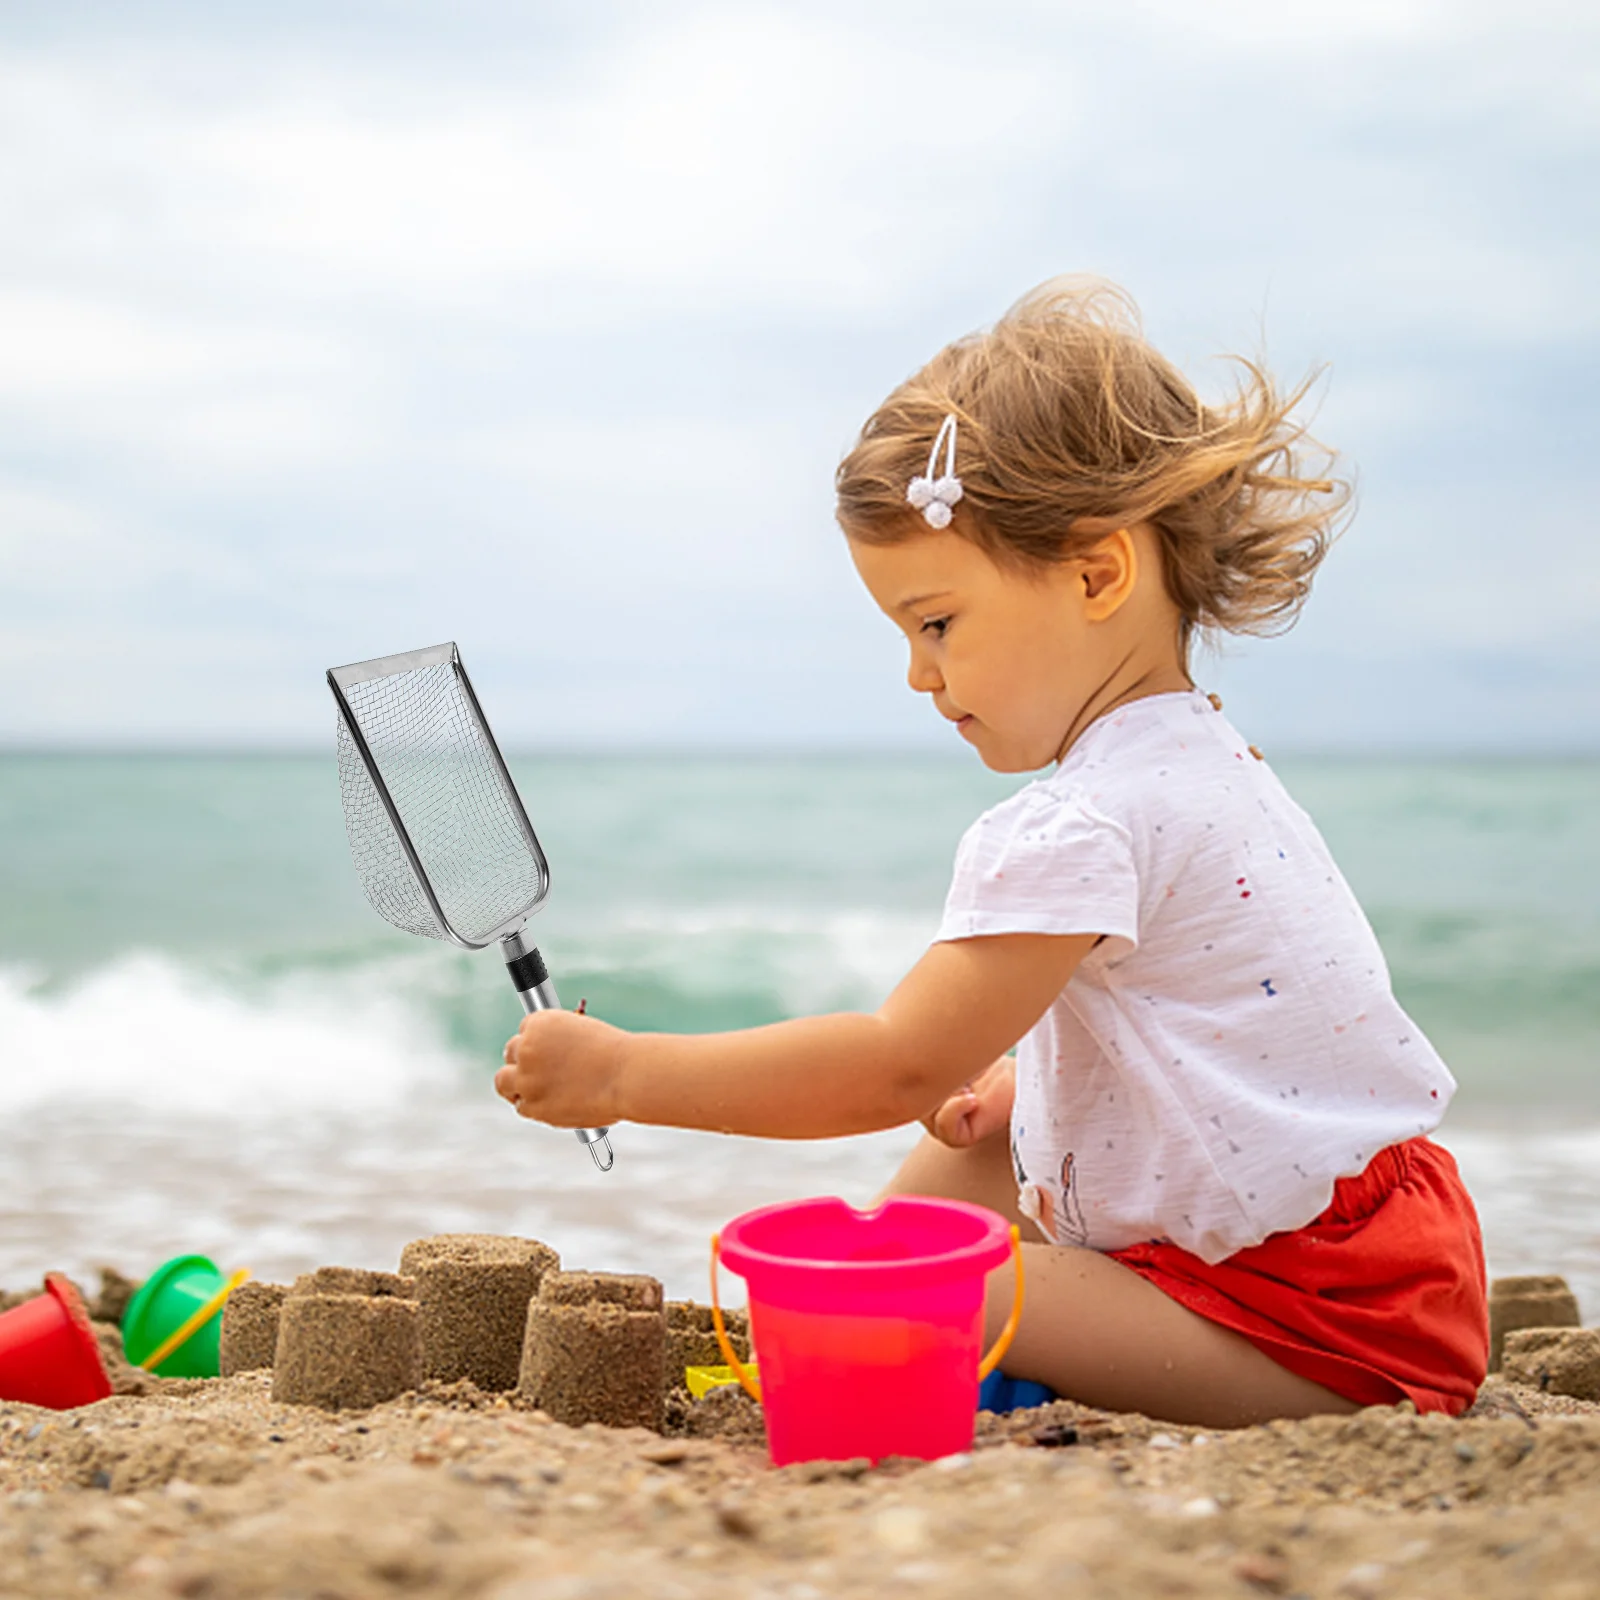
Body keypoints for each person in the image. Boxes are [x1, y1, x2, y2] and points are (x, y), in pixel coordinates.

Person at [496, 279, 1489, 1428]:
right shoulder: (1205, 760)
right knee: (980, 1146)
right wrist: (1046, 1098)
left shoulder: (1080, 821)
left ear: (1095, 573)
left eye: (936, 623)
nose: (920, 675)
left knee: (919, 1281)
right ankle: (893, 1323)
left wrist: (623, 1075)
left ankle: (862, 1345)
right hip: (1391, 1269)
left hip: (1314, 1330)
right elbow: (1242, 1050)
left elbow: (894, 1066)